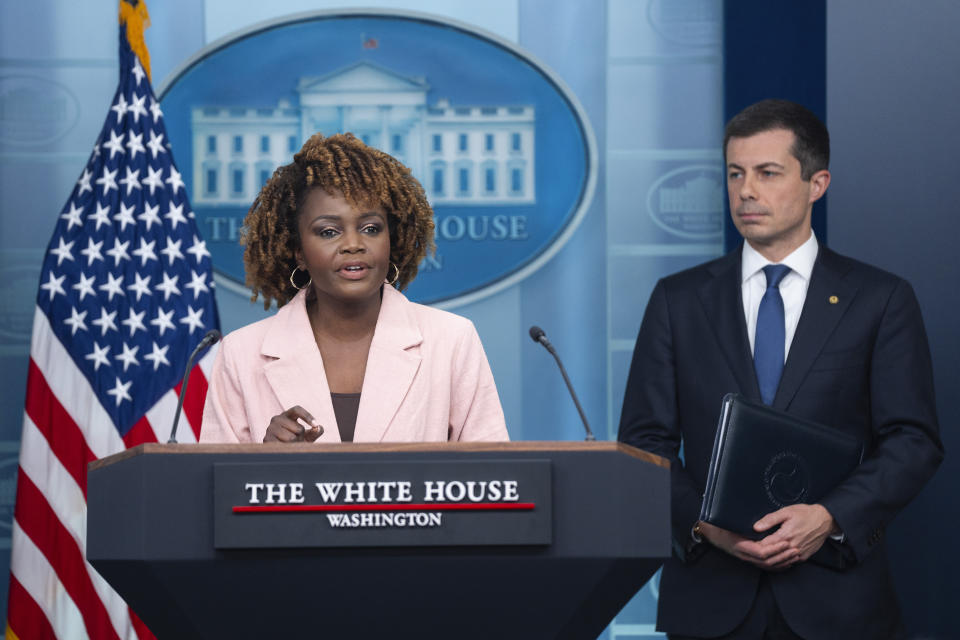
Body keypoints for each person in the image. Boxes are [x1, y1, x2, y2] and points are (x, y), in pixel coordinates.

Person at [618, 99, 942, 639]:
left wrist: (830, 518)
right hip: (712, 601)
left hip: (838, 601)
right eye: (735, 174)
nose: (746, 191)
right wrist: (707, 526)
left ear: (818, 183)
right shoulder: (678, 300)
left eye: (768, 173)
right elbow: (642, 442)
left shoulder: (880, 299)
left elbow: (913, 441)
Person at [200, 132, 508, 444]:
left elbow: (494, 478)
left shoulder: (452, 340)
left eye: (370, 228)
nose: (353, 244)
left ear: (392, 239)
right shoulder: (241, 354)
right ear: (298, 253)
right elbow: (211, 487)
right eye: (329, 231)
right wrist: (263, 460)